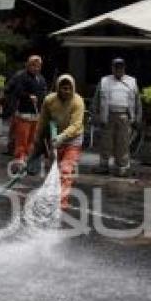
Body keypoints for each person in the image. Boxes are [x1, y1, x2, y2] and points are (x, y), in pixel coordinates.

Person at [34, 74, 85, 210]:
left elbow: (76, 125)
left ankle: (61, 202)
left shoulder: (77, 101)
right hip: (54, 137)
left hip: (73, 139)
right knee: (53, 170)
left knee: (66, 170)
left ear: (72, 88)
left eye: (68, 88)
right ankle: (52, 197)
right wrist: (38, 138)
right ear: (58, 88)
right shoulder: (49, 100)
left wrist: (62, 137)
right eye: (63, 88)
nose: (66, 91)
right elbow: (43, 120)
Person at [92, 58, 141, 176]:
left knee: (123, 143)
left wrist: (137, 119)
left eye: (121, 67)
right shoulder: (104, 81)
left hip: (125, 116)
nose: (118, 69)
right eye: (116, 66)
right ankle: (103, 165)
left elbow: (138, 102)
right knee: (105, 142)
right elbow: (96, 100)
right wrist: (96, 116)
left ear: (124, 68)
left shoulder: (132, 81)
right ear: (112, 68)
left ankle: (122, 167)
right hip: (107, 115)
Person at [4, 55, 48, 169]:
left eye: (38, 66)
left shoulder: (41, 79)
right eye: (33, 65)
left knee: (33, 139)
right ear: (28, 65)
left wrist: (42, 98)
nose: (35, 68)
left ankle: (29, 159)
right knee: (22, 138)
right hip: (24, 113)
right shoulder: (22, 77)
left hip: (36, 114)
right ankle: (19, 159)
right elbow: (17, 91)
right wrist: (28, 96)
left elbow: (44, 92)